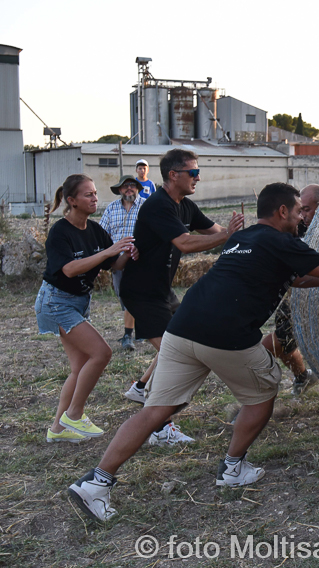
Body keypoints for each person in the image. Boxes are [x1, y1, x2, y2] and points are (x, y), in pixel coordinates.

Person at [68, 182, 319, 522]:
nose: (302, 218)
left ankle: (95, 482)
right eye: (299, 211)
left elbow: (297, 279)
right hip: (224, 333)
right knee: (264, 392)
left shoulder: (243, 238)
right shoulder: (282, 242)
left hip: (182, 327)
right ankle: (233, 468)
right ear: (282, 211)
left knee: (154, 412)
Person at [120, 148, 244, 446]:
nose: (198, 178)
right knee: (174, 354)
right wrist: (226, 235)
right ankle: (159, 427)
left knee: (179, 342)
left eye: (198, 172)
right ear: (173, 175)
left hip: (162, 291)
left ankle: (141, 388)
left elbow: (215, 231)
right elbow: (186, 243)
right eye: (193, 172)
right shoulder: (158, 206)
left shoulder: (186, 206)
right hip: (142, 292)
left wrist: (244, 237)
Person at [37, 175, 137, 443]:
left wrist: (128, 251)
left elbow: (114, 264)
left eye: (94, 193)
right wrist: (107, 252)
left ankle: (58, 429)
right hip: (56, 302)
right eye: (88, 195)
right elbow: (69, 269)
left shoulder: (94, 230)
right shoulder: (60, 232)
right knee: (102, 353)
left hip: (79, 301)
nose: (95, 198)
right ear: (72, 201)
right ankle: (74, 414)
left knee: (80, 366)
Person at [261, 184, 319, 396]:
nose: (302, 215)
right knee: (281, 338)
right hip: (300, 293)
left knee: (274, 343)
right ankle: (302, 377)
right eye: (301, 210)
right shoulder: (296, 229)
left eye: (307, 209)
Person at [98, 175, 145, 351]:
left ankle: (128, 335)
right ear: (119, 190)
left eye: (132, 185)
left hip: (140, 259)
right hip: (118, 261)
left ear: (138, 188)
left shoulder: (146, 207)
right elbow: (102, 234)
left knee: (133, 296)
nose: (129, 188)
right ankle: (138, 330)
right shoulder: (111, 208)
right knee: (122, 296)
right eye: (125, 186)